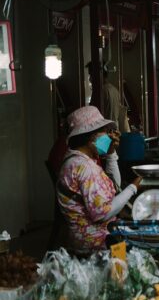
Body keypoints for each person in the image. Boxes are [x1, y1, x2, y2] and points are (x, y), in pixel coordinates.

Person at [57, 106, 142, 251]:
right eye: (104, 132)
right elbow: (103, 212)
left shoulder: (76, 160)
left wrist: (111, 153)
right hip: (96, 239)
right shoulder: (84, 167)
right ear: (92, 137)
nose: (109, 136)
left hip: (83, 235)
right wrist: (133, 188)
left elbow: (115, 185)